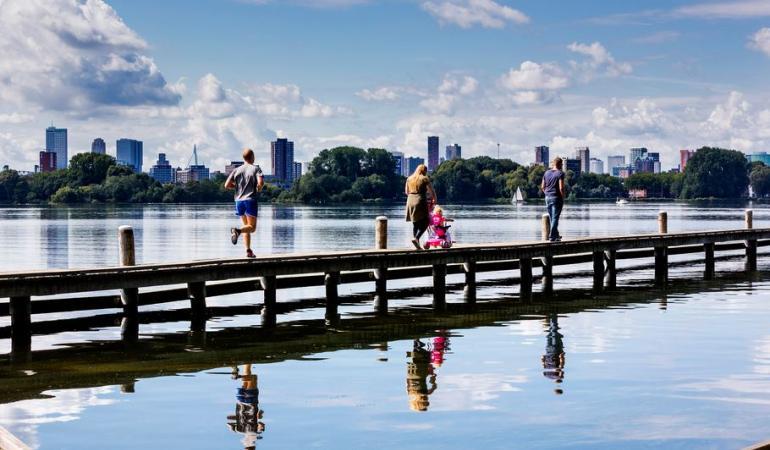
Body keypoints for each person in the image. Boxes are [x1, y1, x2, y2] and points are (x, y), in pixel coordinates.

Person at [225, 149, 264, 258]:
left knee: (246, 226)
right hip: (250, 200)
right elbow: (261, 182)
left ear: (243, 158)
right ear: (252, 157)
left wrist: (237, 187)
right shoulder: (256, 168)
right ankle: (236, 231)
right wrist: (258, 188)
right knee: (252, 227)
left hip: (238, 201)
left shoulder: (236, 170)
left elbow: (226, 185)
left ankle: (248, 251)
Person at [404, 164, 437, 249]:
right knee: (426, 221)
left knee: (415, 222)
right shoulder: (424, 178)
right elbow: (431, 191)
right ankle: (417, 238)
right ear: (424, 171)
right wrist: (434, 199)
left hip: (410, 200)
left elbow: (406, 192)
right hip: (420, 199)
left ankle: (416, 243)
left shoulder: (409, 178)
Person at [540, 157, 566, 242]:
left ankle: (556, 235)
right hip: (556, 197)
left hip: (547, 198)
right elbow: (561, 188)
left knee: (552, 217)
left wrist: (547, 194)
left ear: (553, 164)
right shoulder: (560, 173)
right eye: (561, 164)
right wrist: (563, 197)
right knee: (555, 218)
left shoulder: (546, 173)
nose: (562, 166)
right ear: (559, 164)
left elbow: (542, 187)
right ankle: (552, 236)